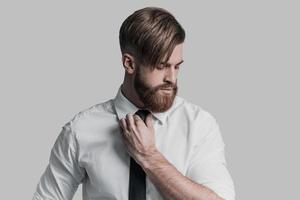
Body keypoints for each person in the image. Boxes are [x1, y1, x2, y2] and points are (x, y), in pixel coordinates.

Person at [32, 7, 235, 200]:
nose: (171, 78)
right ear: (129, 63)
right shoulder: (80, 130)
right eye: (161, 66)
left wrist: (149, 157)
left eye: (177, 67)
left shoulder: (199, 125)